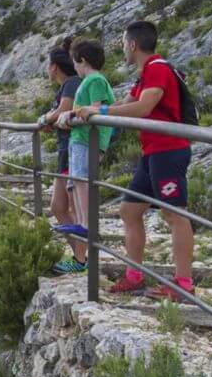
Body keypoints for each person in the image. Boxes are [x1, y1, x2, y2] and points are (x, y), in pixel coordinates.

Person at [74, 20, 193, 301]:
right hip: (152, 152)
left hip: (168, 151)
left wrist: (100, 111)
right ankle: (134, 276)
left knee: (175, 215)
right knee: (129, 210)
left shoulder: (158, 69)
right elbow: (125, 105)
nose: (123, 49)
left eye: (124, 43)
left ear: (132, 44)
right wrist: (92, 110)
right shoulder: (145, 74)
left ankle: (183, 285)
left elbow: (144, 107)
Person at [61, 39, 115, 267]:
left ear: (82, 60)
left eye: (74, 62)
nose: (73, 66)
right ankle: (82, 222)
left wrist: (73, 115)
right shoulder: (89, 81)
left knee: (82, 179)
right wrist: (71, 116)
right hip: (79, 139)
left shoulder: (95, 80)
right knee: (75, 181)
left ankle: (86, 224)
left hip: (87, 139)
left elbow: (95, 108)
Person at [39, 39, 87, 274]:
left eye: (48, 65)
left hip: (73, 150)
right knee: (58, 207)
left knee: (73, 207)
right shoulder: (66, 86)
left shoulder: (72, 83)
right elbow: (60, 115)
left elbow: (63, 110)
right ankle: (81, 256)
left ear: (54, 67)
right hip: (64, 151)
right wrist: (52, 121)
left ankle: (80, 259)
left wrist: (44, 119)